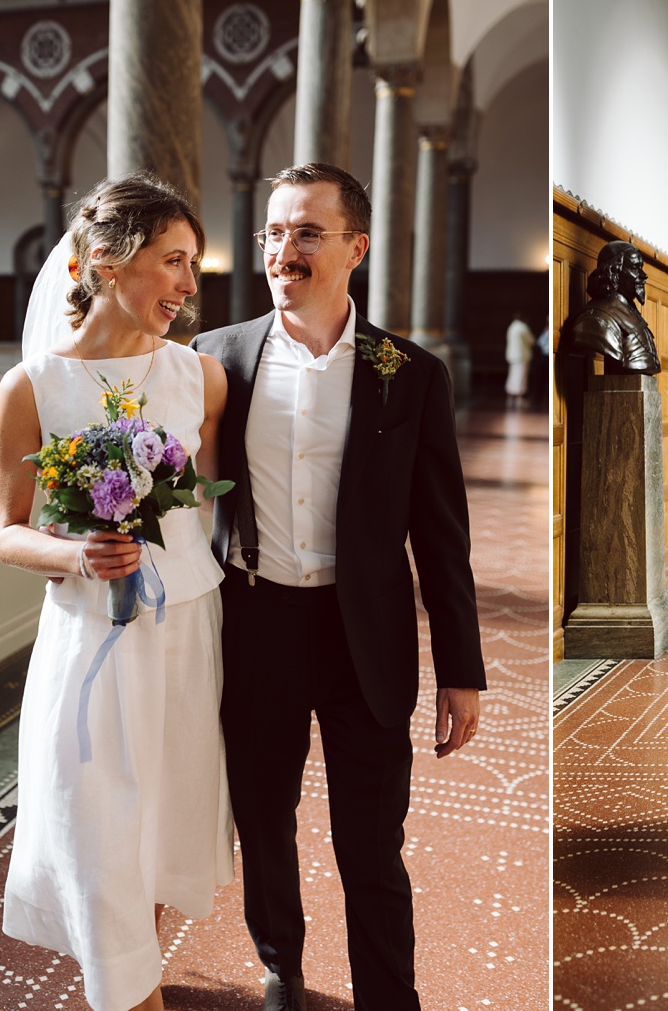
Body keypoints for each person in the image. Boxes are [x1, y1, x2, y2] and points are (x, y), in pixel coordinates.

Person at [193, 162, 486, 1011]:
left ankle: (390, 998)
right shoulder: (216, 360)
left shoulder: (411, 373)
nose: (285, 249)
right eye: (274, 232)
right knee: (265, 817)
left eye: (307, 233)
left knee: (370, 840)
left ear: (355, 247)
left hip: (366, 634)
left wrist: (461, 671)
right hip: (255, 624)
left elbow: (442, 536)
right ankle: (281, 962)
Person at [0, 175, 232, 1011]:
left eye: (194, 263)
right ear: (103, 261)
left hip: (186, 630)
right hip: (90, 640)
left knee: (161, 827)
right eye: (172, 261)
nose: (190, 285)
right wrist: (79, 557)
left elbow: (211, 504)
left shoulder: (203, 380)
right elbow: (4, 531)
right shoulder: (32, 387)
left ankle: (137, 975)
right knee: (96, 839)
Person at [562, 239, 660, 374]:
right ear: (614, 271)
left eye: (641, 268)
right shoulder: (595, 317)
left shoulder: (630, 310)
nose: (643, 275)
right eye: (635, 268)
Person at [504, 312, 536, 408]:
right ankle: (519, 399)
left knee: (512, 376)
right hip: (522, 355)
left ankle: (509, 398)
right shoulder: (523, 327)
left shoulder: (511, 327)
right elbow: (531, 341)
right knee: (521, 377)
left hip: (512, 356)